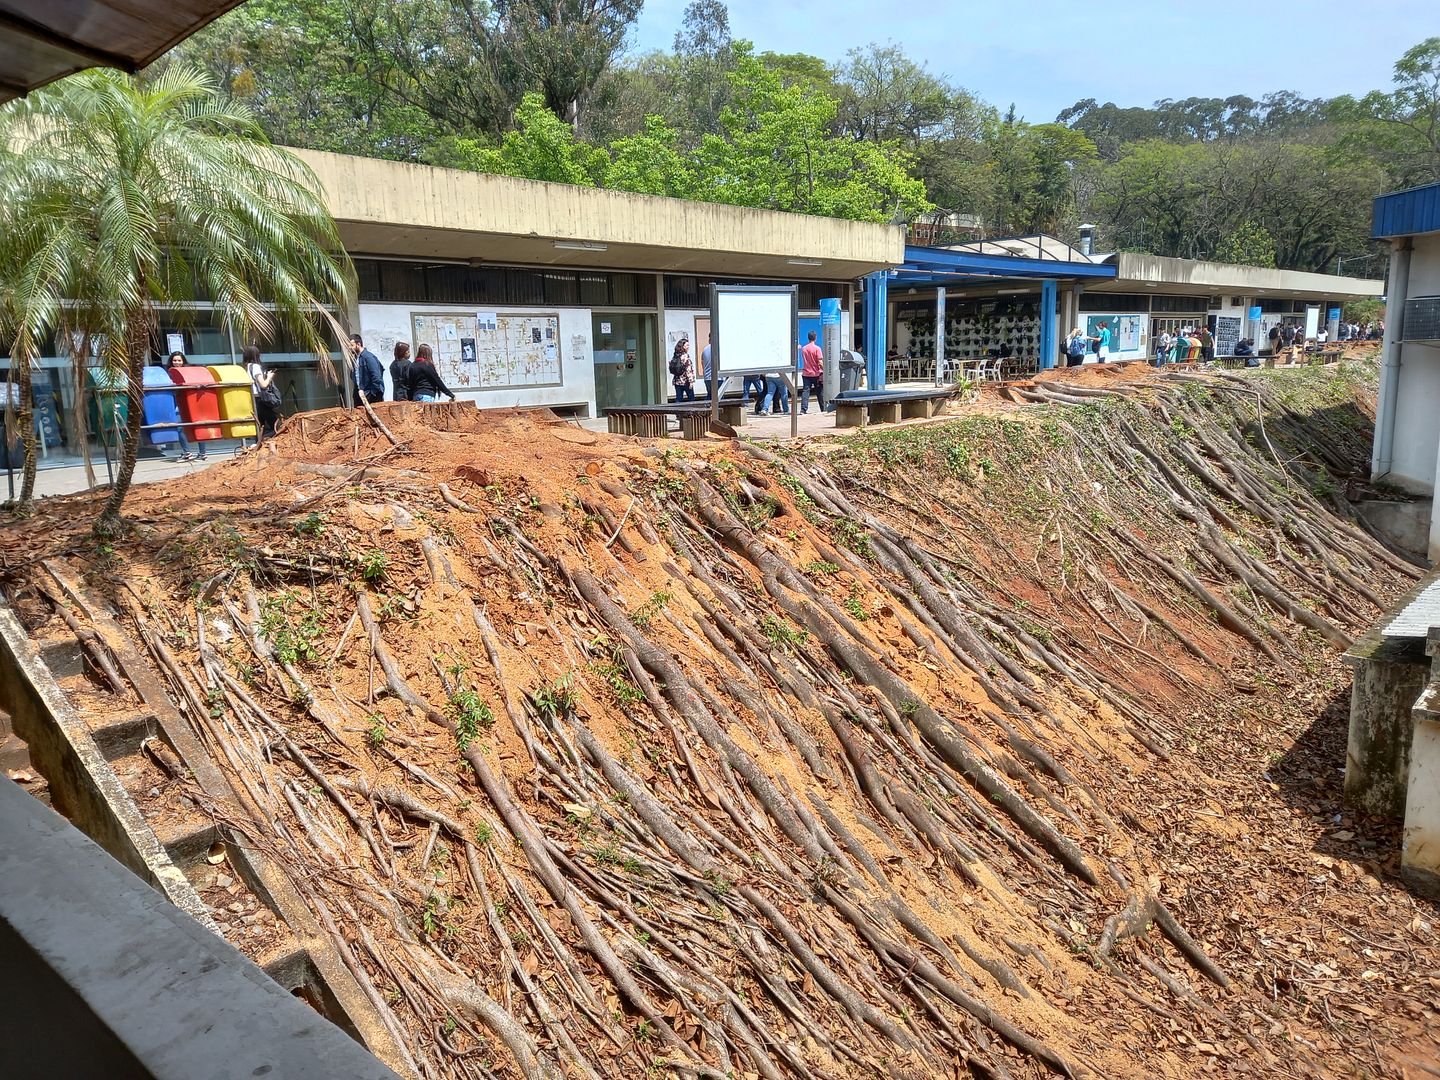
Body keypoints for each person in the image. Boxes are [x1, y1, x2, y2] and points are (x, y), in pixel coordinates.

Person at [164, 351, 207, 461]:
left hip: (190, 402)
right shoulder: (168, 373)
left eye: (179, 360)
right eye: (174, 360)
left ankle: (203, 453)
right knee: (179, 428)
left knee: (197, 426)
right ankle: (187, 452)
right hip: (178, 403)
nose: (177, 362)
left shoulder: (189, 372)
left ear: (183, 361)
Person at [245, 345, 281, 438]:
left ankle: (260, 443)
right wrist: (269, 377)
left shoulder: (246, 367)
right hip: (260, 400)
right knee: (277, 426)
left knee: (260, 427)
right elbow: (263, 384)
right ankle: (265, 440)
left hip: (253, 401)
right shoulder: (255, 367)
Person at [351, 334, 384, 404]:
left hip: (370, 396)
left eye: (352, 345)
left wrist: (372, 393)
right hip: (360, 395)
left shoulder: (368, 357)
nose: (350, 348)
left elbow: (376, 377)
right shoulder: (355, 359)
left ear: (358, 344)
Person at [799, 330, 824, 414]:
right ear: (815, 338)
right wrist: (824, 370)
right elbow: (820, 362)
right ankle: (823, 408)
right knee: (820, 392)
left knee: (806, 392)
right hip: (816, 373)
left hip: (806, 373)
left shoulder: (804, 349)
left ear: (808, 338)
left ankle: (803, 409)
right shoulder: (817, 349)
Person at [669, 338, 695, 402]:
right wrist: (691, 381)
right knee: (691, 399)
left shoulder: (676, 355)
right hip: (686, 381)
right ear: (683, 347)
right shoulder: (685, 356)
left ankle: (677, 411)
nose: (688, 347)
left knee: (679, 399)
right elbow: (688, 369)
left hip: (677, 381)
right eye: (687, 345)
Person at [700, 335, 714, 399]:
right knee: (719, 397)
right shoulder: (718, 348)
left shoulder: (705, 349)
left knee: (710, 395)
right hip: (718, 378)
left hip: (707, 377)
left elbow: (702, 362)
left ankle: (707, 407)